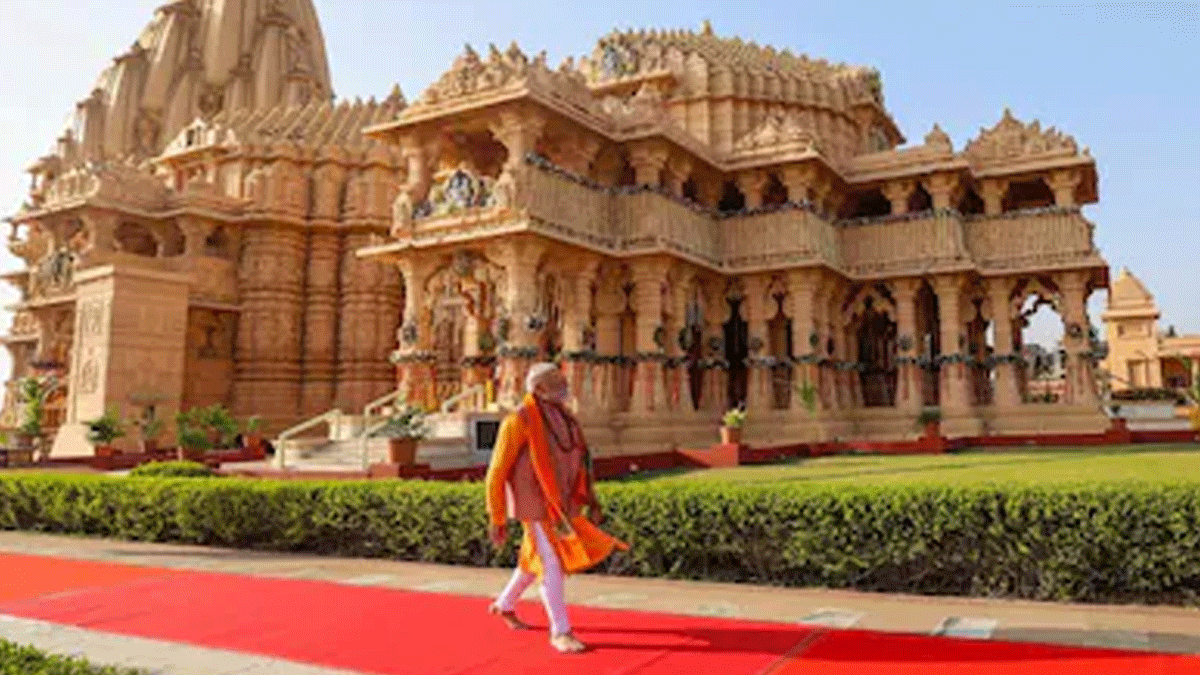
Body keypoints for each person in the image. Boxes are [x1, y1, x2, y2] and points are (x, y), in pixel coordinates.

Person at [484, 362, 626, 654]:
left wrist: (590, 499)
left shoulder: (565, 418)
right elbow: (496, 471)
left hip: (563, 505)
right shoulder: (519, 419)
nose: (565, 385)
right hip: (537, 506)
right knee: (552, 564)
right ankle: (560, 631)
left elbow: (581, 460)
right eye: (556, 381)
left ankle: (504, 604)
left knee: (533, 561)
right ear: (539, 388)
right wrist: (497, 517)